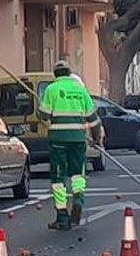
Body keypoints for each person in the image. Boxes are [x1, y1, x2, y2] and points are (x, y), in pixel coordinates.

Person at [38, 61, 103, 231]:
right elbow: (93, 118)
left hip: (58, 139)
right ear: (68, 73)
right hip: (78, 139)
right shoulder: (81, 90)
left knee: (58, 178)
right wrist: (96, 139)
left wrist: (42, 110)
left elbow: (43, 115)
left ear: (56, 74)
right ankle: (79, 200)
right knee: (77, 173)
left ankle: (62, 216)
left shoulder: (51, 90)